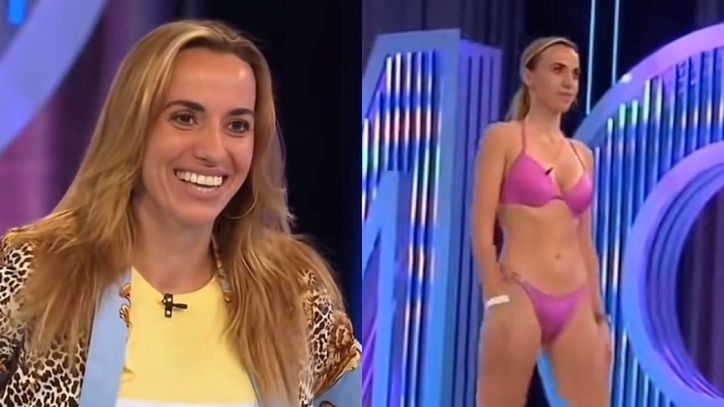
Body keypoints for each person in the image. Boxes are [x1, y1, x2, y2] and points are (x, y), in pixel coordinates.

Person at [0, 20, 360, 407]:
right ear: (134, 127)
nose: (213, 150)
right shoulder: (32, 270)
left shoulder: (295, 294)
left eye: (237, 125)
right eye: (185, 118)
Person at [472, 37, 611, 406]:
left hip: (577, 297)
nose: (569, 82)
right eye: (558, 70)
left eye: (576, 74)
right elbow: (482, 229)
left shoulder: (582, 154)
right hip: (521, 289)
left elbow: (585, 238)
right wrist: (494, 293)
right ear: (529, 76)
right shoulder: (503, 138)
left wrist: (599, 315)